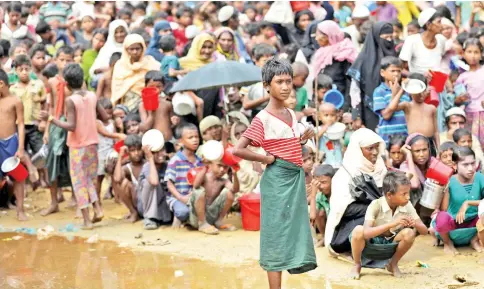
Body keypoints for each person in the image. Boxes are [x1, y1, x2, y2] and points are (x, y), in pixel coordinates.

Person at [234, 58, 317, 288]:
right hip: (277, 179)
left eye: (288, 81)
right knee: (275, 234)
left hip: (294, 177)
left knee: (293, 229)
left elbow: (283, 142)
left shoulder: (291, 114)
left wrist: (301, 139)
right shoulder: (262, 118)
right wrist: (265, 158)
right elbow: (238, 149)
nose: (285, 86)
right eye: (279, 81)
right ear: (266, 85)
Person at [40, 63, 108, 229]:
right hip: (93, 144)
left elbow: (71, 126)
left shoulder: (71, 100)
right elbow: (105, 116)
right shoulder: (92, 96)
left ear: (67, 85)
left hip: (78, 147)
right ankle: (97, 209)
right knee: (89, 179)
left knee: (79, 182)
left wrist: (51, 119)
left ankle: (86, 220)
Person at [349, 171, 428, 279]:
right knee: (358, 230)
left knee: (409, 233)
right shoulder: (376, 205)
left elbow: (424, 231)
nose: (408, 197)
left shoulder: (407, 205)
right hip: (372, 243)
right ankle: (357, 264)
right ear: (389, 195)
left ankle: (393, 264)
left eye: (408, 193)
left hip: (390, 244)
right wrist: (392, 224)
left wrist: (416, 224)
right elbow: (367, 233)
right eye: (404, 194)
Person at [325, 128, 387, 259]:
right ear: (358, 150)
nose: (375, 152)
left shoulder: (380, 168)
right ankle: (351, 247)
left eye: (376, 147)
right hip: (346, 228)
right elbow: (343, 210)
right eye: (370, 149)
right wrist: (374, 206)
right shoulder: (344, 175)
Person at [41, 46, 74, 216]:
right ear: (56, 61)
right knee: (51, 163)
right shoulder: (53, 82)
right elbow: (52, 106)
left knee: (73, 162)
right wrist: (47, 130)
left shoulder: (76, 81)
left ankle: (77, 198)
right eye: (62, 59)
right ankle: (54, 201)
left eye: (68, 60)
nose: (65, 63)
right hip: (56, 124)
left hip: (73, 126)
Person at [433, 147, 484, 255]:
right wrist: (445, 189)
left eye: (473, 163)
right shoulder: (450, 181)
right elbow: (444, 209)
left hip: (475, 224)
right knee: (441, 217)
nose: (470, 168)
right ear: (455, 166)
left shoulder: (480, 178)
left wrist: (467, 203)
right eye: (465, 165)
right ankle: (448, 243)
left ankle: (474, 240)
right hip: (454, 226)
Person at [348, 22, 397, 131]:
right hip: (370, 111)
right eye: (385, 37)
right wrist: (357, 115)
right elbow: (355, 90)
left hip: (396, 110)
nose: (389, 40)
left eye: (391, 37)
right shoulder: (363, 60)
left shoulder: (394, 56)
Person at [9, 54, 47, 184]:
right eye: (21, 70)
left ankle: (44, 180)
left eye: (27, 69)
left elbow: (44, 102)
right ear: (16, 71)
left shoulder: (38, 85)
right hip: (19, 126)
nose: (24, 72)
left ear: (30, 69)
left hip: (35, 125)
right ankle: (24, 182)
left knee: (41, 152)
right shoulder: (12, 89)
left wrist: (43, 121)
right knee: (20, 154)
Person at [0, 68, 28, 221]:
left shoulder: (15, 101)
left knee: (19, 177)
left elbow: (21, 124)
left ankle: (20, 210)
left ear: (1, 84)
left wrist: (21, 147)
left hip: (11, 141)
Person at [190, 149, 238, 235]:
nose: (222, 169)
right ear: (211, 164)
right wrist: (205, 167)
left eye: (226, 167)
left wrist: (235, 174)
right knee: (199, 191)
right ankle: (202, 223)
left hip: (212, 216)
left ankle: (219, 221)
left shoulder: (224, 181)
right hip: (197, 218)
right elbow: (195, 185)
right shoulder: (205, 176)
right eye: (219, 165)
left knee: (230, 193)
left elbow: (235, 190)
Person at [312, 20, 357, 110]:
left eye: (318, 35)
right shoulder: (321, 53)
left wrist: (345, 108)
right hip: (324, 104)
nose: (316, 38)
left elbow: (350, 83)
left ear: (328, 36)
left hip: (339, 103)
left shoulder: (345, 54)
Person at [165, 123, 203, 227]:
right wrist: (181, 197)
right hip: (178, 198)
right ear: (181, 141)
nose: (195, 140)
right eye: (190, 137)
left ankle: (188, 221)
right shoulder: (175, 160)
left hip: (194, 197)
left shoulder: (200, 161)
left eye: (196, 137)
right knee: (183, 212)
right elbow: (169, 184)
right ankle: (178, 221)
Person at [111, 33, 160, 112]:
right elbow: (117, 88)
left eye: (137, 48)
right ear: (126, 50)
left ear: (143, 48)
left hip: (148, 103)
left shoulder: (151, 62)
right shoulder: (120, 65)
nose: (135, 52)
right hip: (126, 105)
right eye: (131, 49)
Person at [395, 74, 439, 156]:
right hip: (413, 142)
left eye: (423, 90)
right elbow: (392, 107)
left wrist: (439, 151)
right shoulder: (407, 105)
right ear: (410, 91)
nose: (420, 94)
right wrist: (402, 89)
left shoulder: (432, 108)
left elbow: (436, 132)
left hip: (429, 143)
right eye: (417, 91)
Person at [372, 56, 411, 144]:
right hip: (387, 139)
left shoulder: (406, 92)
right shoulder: (379, 91)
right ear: (382, 73)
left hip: (404, 138)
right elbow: (386, 115)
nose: (396, 74)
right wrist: (397, 93)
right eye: (392, 71)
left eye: (399, 71)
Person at [455, 39, 484, 147]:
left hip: (483, 112)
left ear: (481, 54)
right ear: (463, 54)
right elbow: (457, 100)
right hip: (469, 115)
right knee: (473, 145)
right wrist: (459, 100)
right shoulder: (461, 77)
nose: (473, 56)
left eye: (476, 52)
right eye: (469, 52)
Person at [95, 98, 125, 201]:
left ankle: (117, 197)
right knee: (99, 177)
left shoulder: (112, 122)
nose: (107, 116)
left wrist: (120, 130)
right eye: (106, 113)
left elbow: (116, 139)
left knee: (114, 176)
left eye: (109, 113)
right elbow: (105, 133)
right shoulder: (97, 122)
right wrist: (118, 134)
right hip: (100, 153)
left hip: (111, 151)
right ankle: (97, 199)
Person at [139, 70, 181, 141]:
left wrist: (175, 122)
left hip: (168, 140)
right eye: (151, 86)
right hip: (153, 143)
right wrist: (151, 113)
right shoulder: (142, 105)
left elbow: (171, 125)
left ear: (163, 87)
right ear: (145, 86)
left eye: (158, 86)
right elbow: (145, 127)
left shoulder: (167, 103)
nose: (155, 89)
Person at [241, 43, 276, 118]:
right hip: (258, 115)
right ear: (256, 62)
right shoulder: (251, 79)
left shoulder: (276, 76)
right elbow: (246, 105)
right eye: (265, 60)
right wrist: (266, 98)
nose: (269, 64)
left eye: (271, 60)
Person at [309, 164, 335, 247]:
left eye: (324, 182)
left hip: (340, 227)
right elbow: (313, 216)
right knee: (319, 212)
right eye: (317, 183)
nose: (320, 186)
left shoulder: (338, 194)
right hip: (329, 229)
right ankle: (325, 237)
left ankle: (328, 239)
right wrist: (313, 194)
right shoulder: (320, 196)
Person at [316, 103, 342, 169]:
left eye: (332, 115)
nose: (330, 118)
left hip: (338, 160)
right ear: (319, 117)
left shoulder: (337, 128)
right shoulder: (318, 129)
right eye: (326, 115)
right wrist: (326, 127)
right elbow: (316, 138)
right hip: (325, 161)